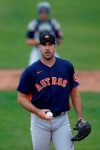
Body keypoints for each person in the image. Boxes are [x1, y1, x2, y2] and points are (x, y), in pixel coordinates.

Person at [17, 32, 84, 150]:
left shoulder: (66, 66)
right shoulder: (30, 71)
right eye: (44, 45)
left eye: (50, 44)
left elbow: (74, 92)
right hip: (39, 123)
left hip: (62, 121)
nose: (47, 48)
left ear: (55, 46)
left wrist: (80, 118)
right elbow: (21, 98)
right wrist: (37, 111)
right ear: (39, 47)